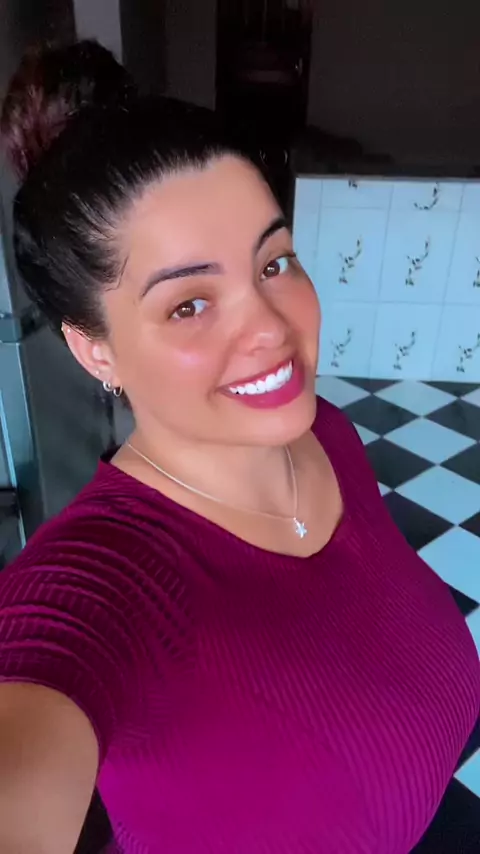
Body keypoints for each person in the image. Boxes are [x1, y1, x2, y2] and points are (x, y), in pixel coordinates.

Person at [0, 39, 478, 854]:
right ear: (95, 349)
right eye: (188, 304)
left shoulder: (324, 431)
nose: (269, 327)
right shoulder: (101, 583)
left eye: (273, 261)